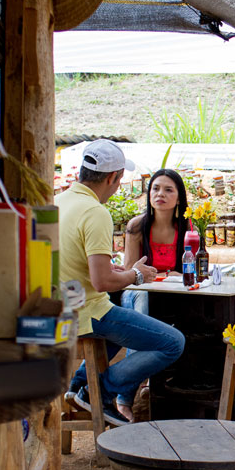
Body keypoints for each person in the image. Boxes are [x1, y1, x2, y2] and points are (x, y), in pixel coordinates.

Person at [57, 139, 185, 423]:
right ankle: (97, 390)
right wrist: (137, 274)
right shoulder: (95, 212)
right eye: (118, 181)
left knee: (123, 322)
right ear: (113, 178)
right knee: (173, 342)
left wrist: (119, 271)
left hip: (59, 308)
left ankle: (78, 386)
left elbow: (84, 267)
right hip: (87, 313)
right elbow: (101, 282)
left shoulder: (59, 202)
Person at [120, 168, 189, 315]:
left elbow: (194, 271)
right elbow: (129, 270)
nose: (160, 194)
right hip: (138, 292)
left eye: (168, 190)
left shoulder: (187, 228)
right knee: (142, 294)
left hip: (172, 294)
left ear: (179, 198)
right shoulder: (136, 226)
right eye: (155, 188)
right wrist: (166, 276)